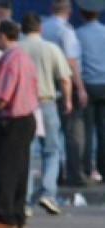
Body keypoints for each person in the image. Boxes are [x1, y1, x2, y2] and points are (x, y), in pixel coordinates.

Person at [0, 19, 38, 228]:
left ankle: (4, 217)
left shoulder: (10, 60)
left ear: (3, 36)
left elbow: (3, 95)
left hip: (11, 120)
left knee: (3, 170)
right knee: (20, 170)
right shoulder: (25, 58)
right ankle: (17, 214)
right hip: (27, 118)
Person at [19, 12, 72, 217]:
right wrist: (67, 100)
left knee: (25, 153)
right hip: (47, 102)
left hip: (24, 106)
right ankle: (48, 193)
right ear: (39, 29)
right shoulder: (51, 49)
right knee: (51, 150)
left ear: (22, 29)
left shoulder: (17, 49)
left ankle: (25, 200)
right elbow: (65, 78)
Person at [42, 0, 90, 187]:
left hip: (47, 86)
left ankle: (55, 174)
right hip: (66, 85)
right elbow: (72, 61)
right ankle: (75, 174)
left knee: (51, 135)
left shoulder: (43, 28)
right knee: (73, 133)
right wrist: (80, 87)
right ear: (68, 12)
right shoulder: (67, 31)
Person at [76, 0, 105, 183]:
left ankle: (86, 168)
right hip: (104, 84)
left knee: (86, 131)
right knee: (103, 130)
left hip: (86, 86)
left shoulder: (77, 34)